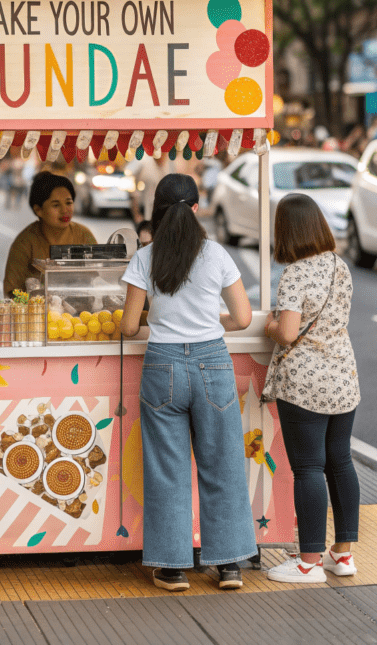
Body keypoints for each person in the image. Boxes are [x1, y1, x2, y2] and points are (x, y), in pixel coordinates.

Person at [120, 173, 257, 592]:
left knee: (167, 471)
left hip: (162, 368)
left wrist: (162, 324)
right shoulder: (216, 255)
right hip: (212, 364)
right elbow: (244, 318)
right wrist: (210, 322)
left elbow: (128, 326)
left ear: (156, 213)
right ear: (197, 209)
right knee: (224, 465)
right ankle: (229, 565)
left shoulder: (145, 257)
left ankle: (172, 568)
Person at [262, 194, 361, 584]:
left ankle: (308, 563)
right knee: (341, 460)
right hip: (343, 376)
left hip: (305, 383)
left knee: (307, 467)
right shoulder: (341, 266)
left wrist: (270, 325)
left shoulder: (296, 273)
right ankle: (343, 555)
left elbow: (286, 333)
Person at [3, 171, 96, 298]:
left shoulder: (84, 235)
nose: (65, 210)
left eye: (69, 203)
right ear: (38, 210)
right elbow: (11, 291)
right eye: (56, 205)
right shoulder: (25, 242)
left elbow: (97, 277)